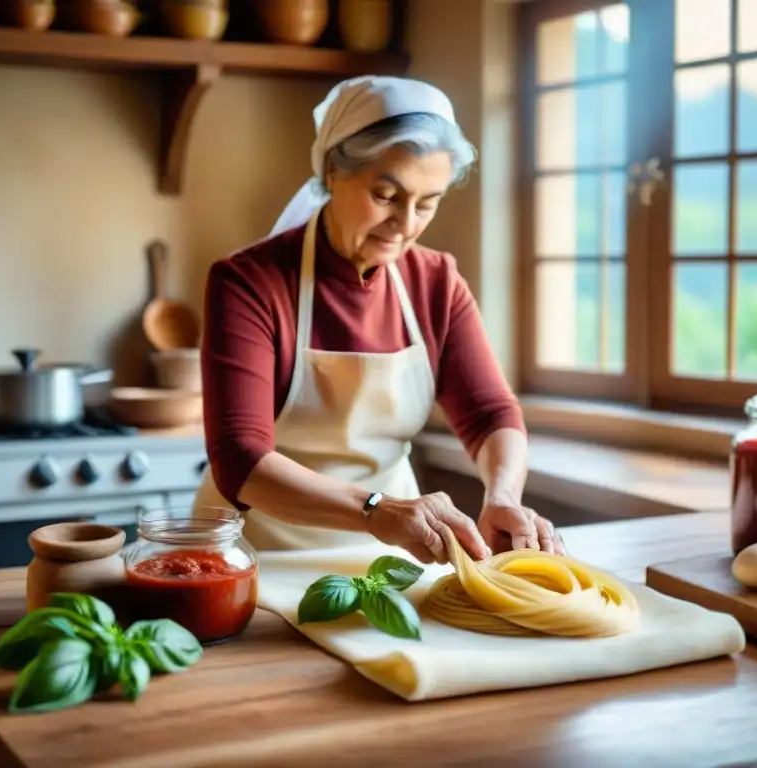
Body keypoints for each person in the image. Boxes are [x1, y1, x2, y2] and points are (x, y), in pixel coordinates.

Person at [195, 75, 564, 565]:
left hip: (390, 558)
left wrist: (502, 497)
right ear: (331, 171)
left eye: (427, 203)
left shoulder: (437, 282)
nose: (406, 224)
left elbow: (491, 414)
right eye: (387, 195)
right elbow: (241, 460)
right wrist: (375, 511)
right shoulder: (248, 282)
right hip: (252, 556)